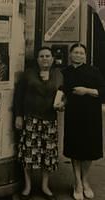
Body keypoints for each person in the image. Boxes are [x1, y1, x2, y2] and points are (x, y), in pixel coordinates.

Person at [14, 47, 64, 200]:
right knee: (29, 153)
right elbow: (19, 97)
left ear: (52, 59)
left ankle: (45, 186)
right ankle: (28, 186)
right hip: (31, 119)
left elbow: (63, 95)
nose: (45, 59)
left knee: (47, 155)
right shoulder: (28, 74)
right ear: (37, 59)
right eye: (41, 56)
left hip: (49, 120)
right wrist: (19, 116)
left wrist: (62, 104)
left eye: (48, 56)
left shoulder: (58, 74)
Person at [62, 43, 105, 200]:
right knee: (75, 148)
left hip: (91, 115)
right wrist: (61, 103)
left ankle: (85, 180)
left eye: (81, 53)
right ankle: (77, 182)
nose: (78, 55)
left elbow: (102, 90)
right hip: (73, 114)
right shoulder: (65, 72)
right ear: (70, 54)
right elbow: (62, 91)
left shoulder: (94, 71)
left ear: (85, 56)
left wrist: (86, 91)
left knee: (89, 148)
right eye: (76, 52)